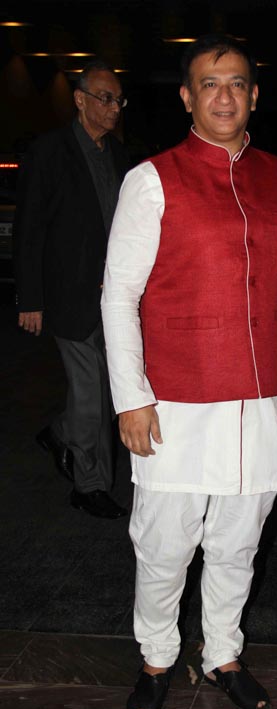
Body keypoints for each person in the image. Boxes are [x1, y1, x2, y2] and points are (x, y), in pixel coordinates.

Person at [101, 34, 277, 709]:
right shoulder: (151, 179)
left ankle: (223, 654)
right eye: (210, 84)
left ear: (254, 95)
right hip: (175, 401)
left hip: (261, 401)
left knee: (238, 544)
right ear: (187, 98)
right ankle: (158, 657)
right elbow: (118, 296)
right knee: (164, 544)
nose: (225, 96)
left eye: (237, 83)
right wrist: (131, 398)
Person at [13, 60, 130, 519]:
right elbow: (30, 228)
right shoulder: (50, 152)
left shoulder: (120, 155)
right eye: (105, 98)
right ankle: (89, 485)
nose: (114, 107)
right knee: (91, 391)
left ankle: (61, 432)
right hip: (68, 294)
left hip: (114, 296)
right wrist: (31, 299)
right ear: (80, 100)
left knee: (106, 389)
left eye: (119, 99)